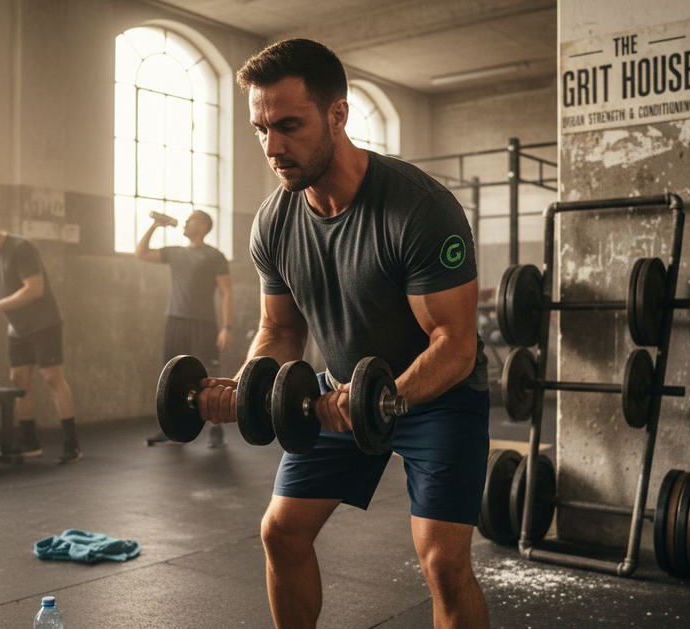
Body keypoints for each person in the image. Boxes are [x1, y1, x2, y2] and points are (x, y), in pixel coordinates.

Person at [198, 39, 491, 628]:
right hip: (336, 392)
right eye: (260, 128)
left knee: (442, 564)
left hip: (437, 399)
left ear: (338, 114)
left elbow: (456, 348)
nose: (273, 147)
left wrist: (380, 402)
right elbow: (279, 330)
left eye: (289, 125)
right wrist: (251, 385)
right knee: (281, 533)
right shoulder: (274, 221)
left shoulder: (418, 209)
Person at [0, 211, 82, 463]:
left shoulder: (22, 247)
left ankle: (71, 444)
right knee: (19, 380)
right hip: (18, 327)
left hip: (45, 323)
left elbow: (35, 289)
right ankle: (30, 442)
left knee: (52, 377)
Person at [136, 210, 233, 448]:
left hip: (204, 323)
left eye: (191, 219)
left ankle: (216, 429)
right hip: (176, 321)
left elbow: (226, 292)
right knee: (171, 376)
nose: (186, 222)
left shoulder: (214, 255)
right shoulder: (175, 252)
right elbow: (141, 253)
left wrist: (227, 327)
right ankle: (170, 428)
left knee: (208, 375)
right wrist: (156, 225)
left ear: (202, 226)